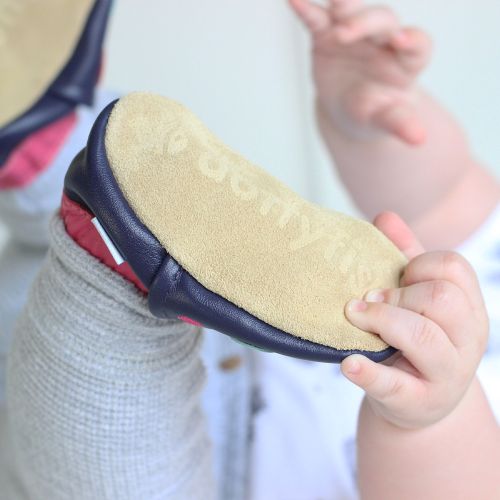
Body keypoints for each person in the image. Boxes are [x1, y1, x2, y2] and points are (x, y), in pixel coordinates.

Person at [1, 1, 499, 500]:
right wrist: (370, 116)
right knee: (137, 163)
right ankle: (37, 136)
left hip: (185, 452)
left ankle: (113, 249)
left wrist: (432, 420)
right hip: (202, 296)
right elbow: (445, 200)